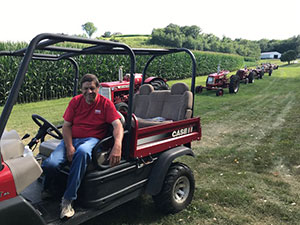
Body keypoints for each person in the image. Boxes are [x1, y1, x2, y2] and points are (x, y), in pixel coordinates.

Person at [41, 74, 124, 219]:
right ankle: (47, 188)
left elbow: (117, 124)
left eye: (92, 88)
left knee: (83, 152)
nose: (89, 92)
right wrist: (69, 146)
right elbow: (66, 126)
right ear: (81, 89)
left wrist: (117, 145)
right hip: (73, 138)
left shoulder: (105, 104)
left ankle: (68, 200)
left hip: (92, 140)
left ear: (98, 88)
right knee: (51, 164)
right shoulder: (75, 102)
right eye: (86, 88)